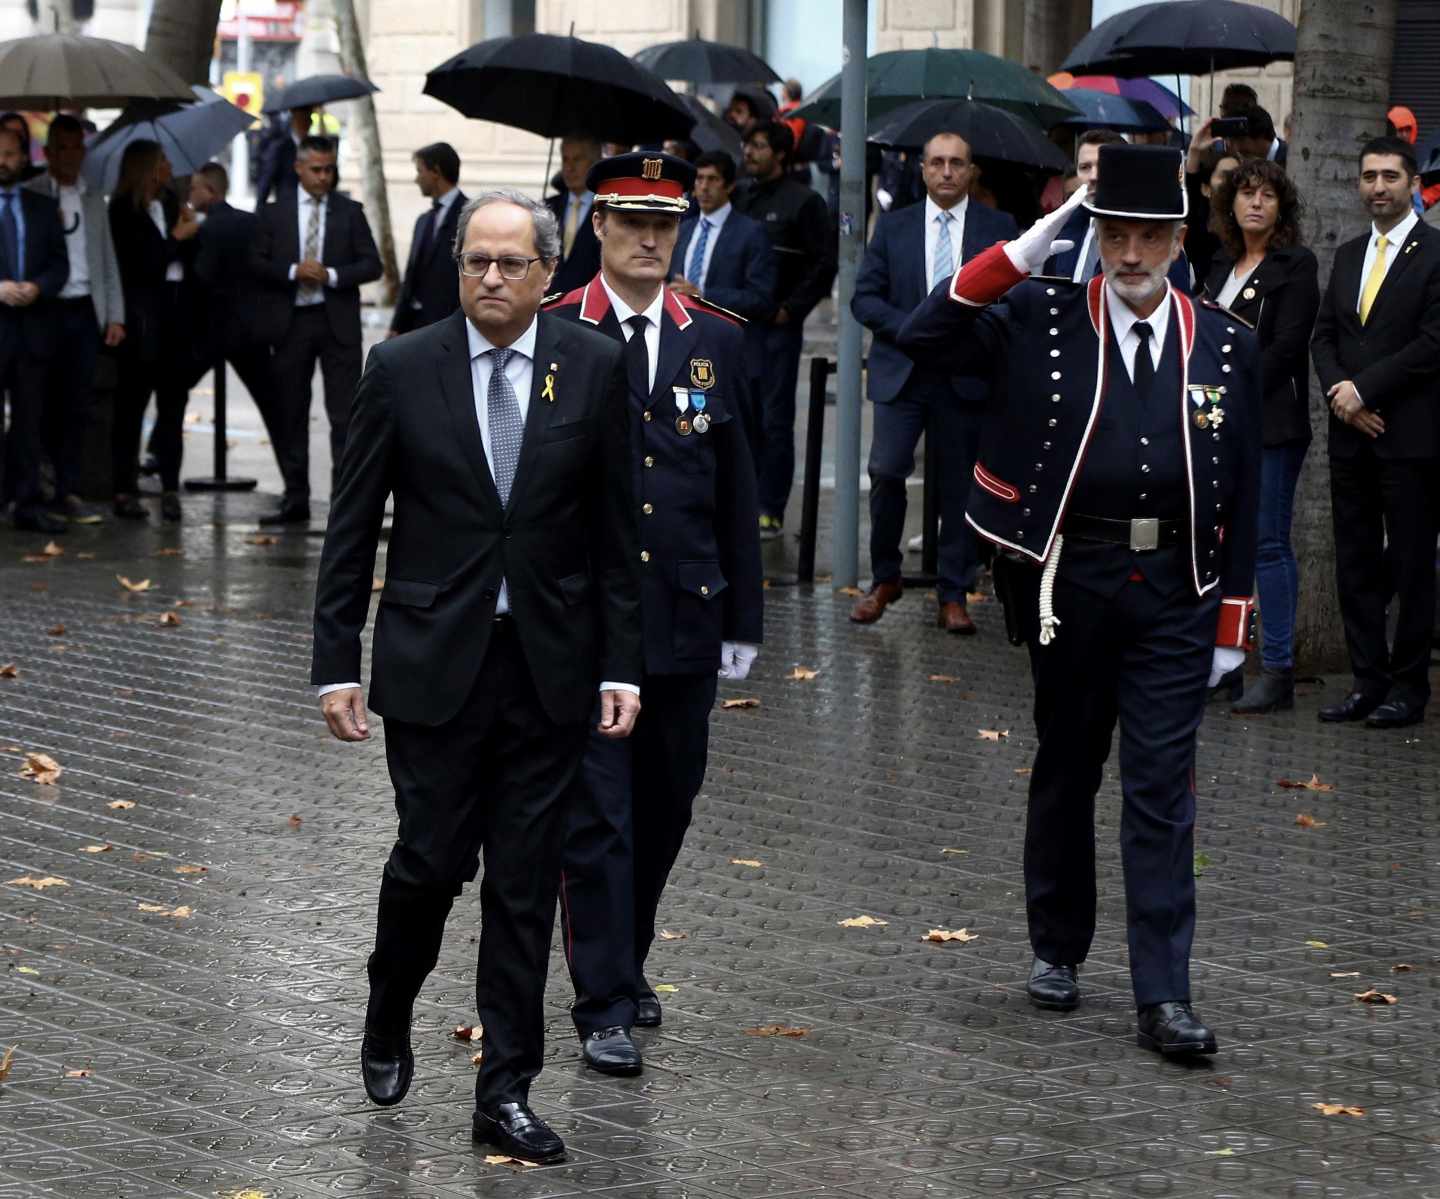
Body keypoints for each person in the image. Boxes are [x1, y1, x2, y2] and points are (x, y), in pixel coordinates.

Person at [899, 146, 1262, 1058]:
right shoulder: (1041, 314)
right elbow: (924, 334)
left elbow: (1247, 488)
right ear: (1093, 236)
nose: (1130, 253)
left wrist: (1233, 619)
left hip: (1178, 588)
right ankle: (1057, 945)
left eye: (1148, 236)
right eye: (1114, 235)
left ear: (1179, 242)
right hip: (1072, 582)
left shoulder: (1223, 339)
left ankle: (1164, 994)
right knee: (1068, 764)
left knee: (1162, 788)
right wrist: (1021, 251)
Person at [311, 189, 643, 1164]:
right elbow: (350, 526)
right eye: (475, 262)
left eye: (510, 263)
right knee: (430, 860)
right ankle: (389, 998)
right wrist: (335, 664)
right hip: (431, 666)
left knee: (525, 884)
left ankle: (505, 1089)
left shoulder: (593, 367)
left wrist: (622, 663)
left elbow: (618, 537)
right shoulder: (403, 367)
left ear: (549, 273)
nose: (490, 278)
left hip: (548, 668)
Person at [544, 152, 763, 1077]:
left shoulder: (717, 336)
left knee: (666, 800)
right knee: (597, 814)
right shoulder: (555, 329)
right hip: (585, 618)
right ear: (597, 226)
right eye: (629, 220)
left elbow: (735, 480)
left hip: (683, 609)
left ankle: (625, 959)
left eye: (663, 224)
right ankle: (601, 1000)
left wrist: (744, 616)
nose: (647, 238)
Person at [850, 130, 1018, 633]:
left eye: (957, 163)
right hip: (903, 372)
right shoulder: (893, 227)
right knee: (886, 471)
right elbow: (864, 297)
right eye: (937, 162)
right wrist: (910, 329)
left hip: (964, 374)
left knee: (958, 488)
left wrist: (965, 332)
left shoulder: (997, 227)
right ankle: (885, 577)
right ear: (922, 169)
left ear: (971, 172)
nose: (946, 172)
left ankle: (953, 590)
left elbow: (1012, 300)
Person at [1311, 136, 1440, 730]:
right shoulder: (1348, 253)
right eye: (1369, 176)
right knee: (1356, 563)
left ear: (1412, 183)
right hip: (1350, 435)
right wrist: (1343, 396)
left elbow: (1432, 344)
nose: (1378, 186)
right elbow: (1326, 337)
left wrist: (1366, 390)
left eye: (1390, 175)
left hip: (1409, 439)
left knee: (1412, 568)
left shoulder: (1435, 252)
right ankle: (1368, 682)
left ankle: (1409, 689)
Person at [1202, 161, 1318, 713]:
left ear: (1281, 207)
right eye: (1246, 194)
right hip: (1213, 425)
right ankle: (1225, 661)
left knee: (1268, 542)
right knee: (1224, 544)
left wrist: (1228, 395)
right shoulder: (1219, 263)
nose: (1255, 204)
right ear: (1230, 205)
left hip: (1271, 425)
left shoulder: (1296, 266)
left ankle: (1277, 670)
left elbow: (1287, 349)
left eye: (1267, 196)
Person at [250, 135, 381, 526]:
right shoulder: (275, 213)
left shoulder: (349, 211)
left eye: (329, 169)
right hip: (291, 323)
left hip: (335, 321)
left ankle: (343, 505)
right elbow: (255, 263)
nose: (324, 177)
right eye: (317, 170)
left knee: (344, 417)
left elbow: (372, 265)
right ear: (299, 168)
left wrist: (333, 275)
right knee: (291, 412)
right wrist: (293, 271)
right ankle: (295, 498)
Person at [732, 120, 837, 539]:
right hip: (737, 324)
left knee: (774, 419)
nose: (750, 153)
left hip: (776, 328)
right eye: (747, 145)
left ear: (780, 154)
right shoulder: (738, 196)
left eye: (758, 146)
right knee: (741, 415)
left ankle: (769, 506)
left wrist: (790, 310)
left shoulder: (803, 203)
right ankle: (740, 497)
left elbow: (822, 262)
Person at [27, 113, 125, 524]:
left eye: (76, 148)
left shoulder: (92, 198)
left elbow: (106, 259)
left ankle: (68, 487)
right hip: (45, 308)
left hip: (85, 308)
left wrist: (114, 314)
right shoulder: (33, 193)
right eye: (61, 148)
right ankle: (39, 485)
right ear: (48, 152)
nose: (69, 156)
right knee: (40, 401)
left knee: (77, 402)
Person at [107, 140, 197, 523]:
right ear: (146, 167)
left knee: (173, 409)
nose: (169, 167)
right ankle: (124, 488)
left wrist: (185, 235)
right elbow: (142, 265)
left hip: (176, 322)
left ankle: (170, 486)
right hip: (141, 324)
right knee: (131, 409)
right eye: (162, 162)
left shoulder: (173, 204)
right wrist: (176, 239)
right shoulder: (123, 211)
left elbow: (190, 258)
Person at [669, 149, 777, 437]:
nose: (703, 187)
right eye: (699, 179)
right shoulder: (683, 229)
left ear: (729, 185)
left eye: (712, 179)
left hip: (731, 353)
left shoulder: (750, 233)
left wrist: (703, 295)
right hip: (682, 349)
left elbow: (761, 299)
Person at [0, 126, 68, 534]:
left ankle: (27, 502)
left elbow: (61, 263)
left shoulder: (42, 206)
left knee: (29, 422)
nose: (2, 161)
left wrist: (39, 287)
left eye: (9, 154)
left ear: (24, 158)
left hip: (33, 329)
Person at [187, 162, 281, 445]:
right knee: (273, 405)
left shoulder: (205, 229)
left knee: (175, 390)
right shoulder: (251, 222)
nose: (190, 194)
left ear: (211, 190)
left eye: (194, 188)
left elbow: (201, 277)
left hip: (212, 330)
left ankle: (158, 455)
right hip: (250, 329)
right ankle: (294, 482)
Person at [1047, 130, 1194, 293]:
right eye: (1085, 167)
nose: (1093, 176)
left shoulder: (1160, 240)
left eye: (1103, 166)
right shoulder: (1067, 226)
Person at [389, 142, 467, 337]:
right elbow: (411, 277)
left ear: (436, 171)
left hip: (449, 328)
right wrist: (396, 325)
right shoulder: (423, 221)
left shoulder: (471, 215)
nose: (417, 179)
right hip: (414, 327)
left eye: (420, 171)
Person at [544, 135, 602, 296]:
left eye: (577, 160)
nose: (569, 167)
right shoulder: (546, 208)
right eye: (565, 159)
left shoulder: (607, 211)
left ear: (593, 163)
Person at [255, 104, 315, 207]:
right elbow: (267, 178)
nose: (306, 122)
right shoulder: (280, 148)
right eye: (302, 118)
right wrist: (259, 206)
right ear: (294, 119)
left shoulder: (315, 146)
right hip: (288, 205)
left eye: (308, 118)